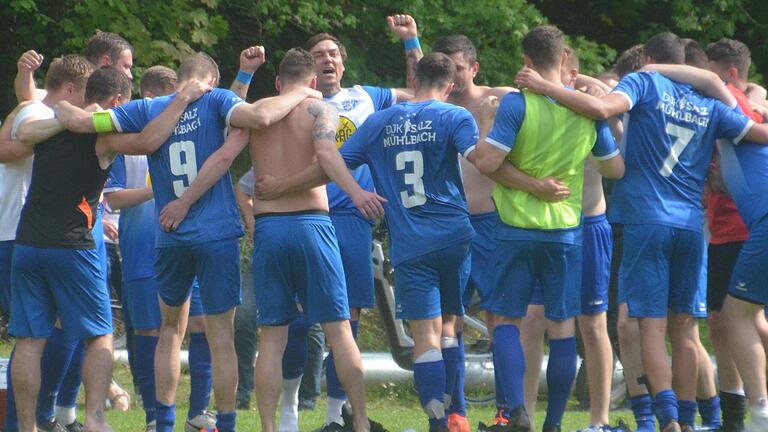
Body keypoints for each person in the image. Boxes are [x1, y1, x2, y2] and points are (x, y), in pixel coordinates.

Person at [514, 31, 768, 432]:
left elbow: (601, 110)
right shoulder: (709, 105)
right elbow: (760, 134)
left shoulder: (644, 82)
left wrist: (546, 86)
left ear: (648, 57)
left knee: (649, 324)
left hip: (646, 219)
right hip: (690, 226)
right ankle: (687, 420)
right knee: (685, 328)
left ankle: (667, 420)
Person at [70, 51, 328, 432]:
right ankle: (224, 424)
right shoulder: (218, 100)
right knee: (221, 336)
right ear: (211, 79)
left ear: (181, 78)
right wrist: (304, 94)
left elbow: (96, 127)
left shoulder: (151, 106)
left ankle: (164, 423)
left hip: (170, 233)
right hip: (216, 232)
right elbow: (259, 117)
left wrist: (69, 115)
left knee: (169, 333)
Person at [158, 48, 384, 432]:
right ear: (313, 82)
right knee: (339, 330)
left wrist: (184, 200)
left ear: (279, 82)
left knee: (272, 336)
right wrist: (357, 193)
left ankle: (268, 427)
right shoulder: (321, 109)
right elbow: (328, 156)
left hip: (269, 229)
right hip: (313, 224)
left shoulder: (256, 112)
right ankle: (359, 423)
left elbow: (223, 156)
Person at [11, 60, 210, 432]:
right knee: (100, 335)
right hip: (74, 245)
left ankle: (27, 428)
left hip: (29, 243)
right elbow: (149, 140)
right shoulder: (101, 135)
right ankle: (95, 421)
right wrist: (181, 101)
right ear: (116, 100)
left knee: (30, 339)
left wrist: (67, 114)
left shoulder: (46, 129)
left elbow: (25, 133)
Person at [473, 26, 624, 432]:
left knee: (507, 320)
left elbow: (486, 162)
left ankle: (518, 412)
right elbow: (616, 169)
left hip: (515, 228)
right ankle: (554, 424)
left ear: (526, 62)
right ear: (563, 61)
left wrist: (486, 123)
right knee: (562, 326)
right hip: (566, 232)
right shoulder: (587, 112)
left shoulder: (517, 106)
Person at [301, 23, 414, 429]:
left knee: (346, 319)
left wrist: (410, 42)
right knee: (299, 317)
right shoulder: (299, 102)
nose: (328, 59)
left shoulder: (366, 96)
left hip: (352, 219)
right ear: (308, 66)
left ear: (343, 64)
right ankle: (290, 411)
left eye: (334, 53)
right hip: (307, 216)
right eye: (319, 54)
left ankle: (337, 416)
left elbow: (422, 93)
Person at [103, 64, 218, 432]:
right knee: (151, 330)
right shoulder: (134, 133)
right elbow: (114, 199)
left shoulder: (196, 128)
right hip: (142, 244)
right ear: (151, 99)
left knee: (201, 324)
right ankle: (153, 415)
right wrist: (162, 190)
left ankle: (198, 412)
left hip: (190, 238)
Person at [428, 33, 518, 432]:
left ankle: (506, 410)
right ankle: (455, 410)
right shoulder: (435, 106)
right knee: (449, 318)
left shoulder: (497, 100)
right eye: (445, 68)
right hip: (447, 225)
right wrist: (410, 41)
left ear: (474, 68)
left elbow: (542, 95)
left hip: (489, 223)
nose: (451, 76)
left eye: (459, 68)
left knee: (500, 316)